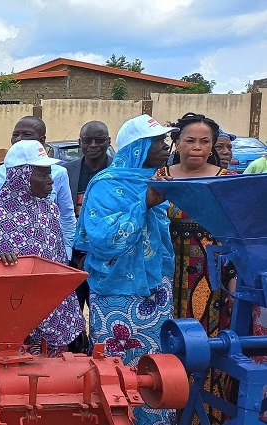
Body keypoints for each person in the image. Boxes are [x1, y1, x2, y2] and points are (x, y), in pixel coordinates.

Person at [75, 114, 176, 425]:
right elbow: (103, 239)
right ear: (138, 147)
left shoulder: (157, 180)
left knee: (156, 370)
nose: (165, 148)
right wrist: (142, 204)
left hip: (155, 293)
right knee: (115, 371)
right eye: (158, 142)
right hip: (117, 296)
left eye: (165, 141)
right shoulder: (107, 184)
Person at [0, 141, 84, 359]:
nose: (50, 181)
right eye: (42, 175)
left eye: (49, 174)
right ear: (21, 176)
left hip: (49, 312)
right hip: (9, 320)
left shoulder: (49, 209)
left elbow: (58, 259)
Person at [155, 113, 236, 423]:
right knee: (168, 342)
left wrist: (233, 284)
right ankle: (167, 413)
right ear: (177, 143)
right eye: (190, 140)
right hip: (165, 274)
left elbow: (238, 237)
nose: (197, 148)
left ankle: (207, 415)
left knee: (208, 345)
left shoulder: (228, 182)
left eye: (205, 141)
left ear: (214, 145)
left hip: (213, 280)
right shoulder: (160, 177)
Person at [0, 116, 75, 260]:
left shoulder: (51, 207)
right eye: (15, 134)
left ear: (42, 140)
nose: (19, 139)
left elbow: (66, 216)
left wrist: (66, 254)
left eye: (26, 135)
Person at [63, 121, 113, 317]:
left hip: (105, 255)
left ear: (108, 142)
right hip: (72, 255)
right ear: (79, 142)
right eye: (87, 140)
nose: (93, 145)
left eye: (99, 140)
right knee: (72, 313)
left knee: (102, 313)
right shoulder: (66, 172)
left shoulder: (117, 172)